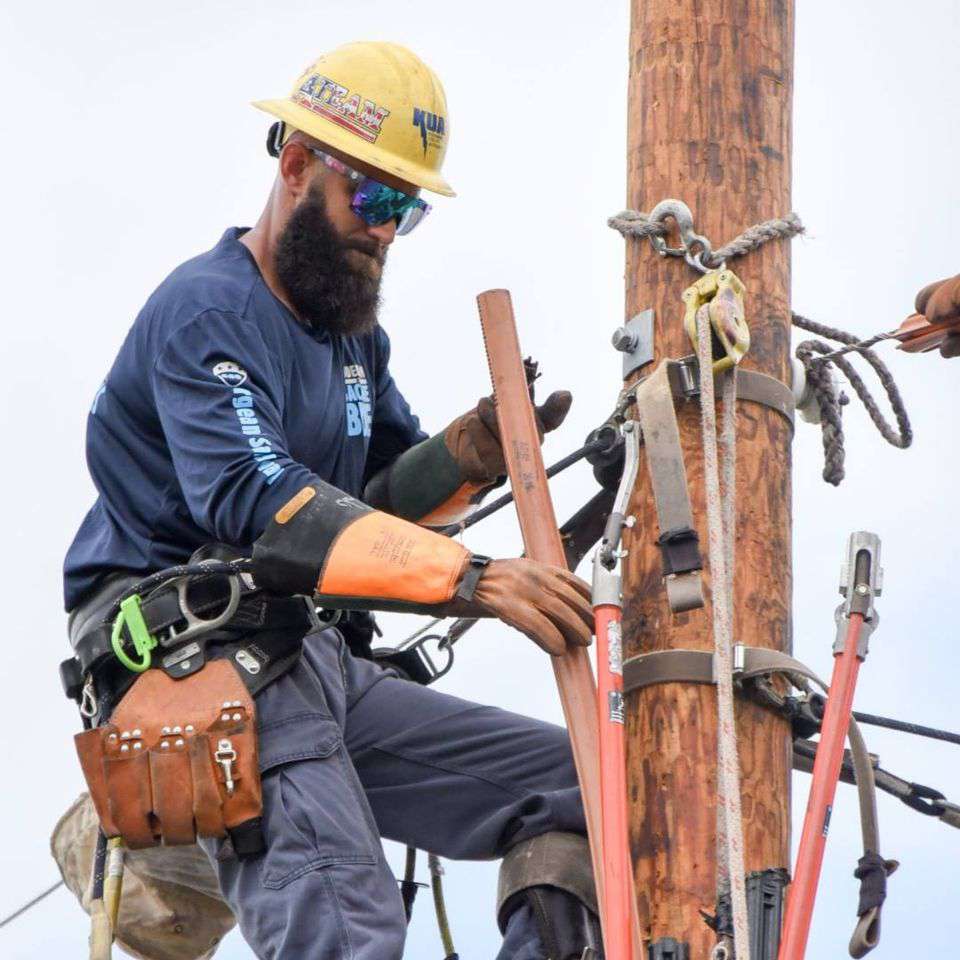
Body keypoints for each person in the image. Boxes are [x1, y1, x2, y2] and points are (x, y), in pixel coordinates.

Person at [63, 41, 604, 960]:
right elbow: (258, 503)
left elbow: (376, 505)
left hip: (315, 657)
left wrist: (462, 460)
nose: (387, 231)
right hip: (213, 659)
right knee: (348, 929)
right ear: (297, 165)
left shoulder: (351, 338)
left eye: (409, 210)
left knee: (583, 790)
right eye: (375, 198)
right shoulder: (210, 314)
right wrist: (474, 581)